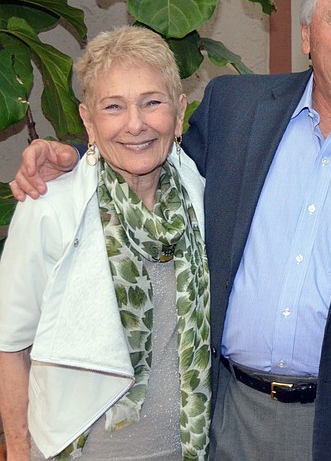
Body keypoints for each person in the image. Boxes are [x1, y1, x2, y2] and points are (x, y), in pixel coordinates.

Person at [10, 0, 331, 461]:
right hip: (224, 415)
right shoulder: (235, 107)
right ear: (307, 35)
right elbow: (154, 155)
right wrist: (73, 155)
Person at [0, 26, 210, 460]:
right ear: (88, 121)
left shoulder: (197, 191)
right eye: (113, 107)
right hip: (81, 450)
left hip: (185, 448)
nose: (135, 124)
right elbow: (9, 343)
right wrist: (17, 451)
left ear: (179, 112)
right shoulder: (50, 207)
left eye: (152, 102)